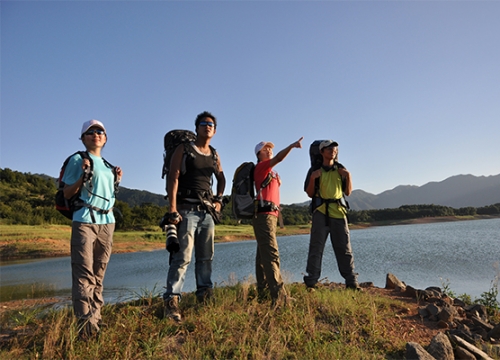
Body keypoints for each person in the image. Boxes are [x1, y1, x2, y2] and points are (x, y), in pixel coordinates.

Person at [62, 119, 123, 340]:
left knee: (99, 274)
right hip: (85, 221)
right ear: (83, 138)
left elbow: (109, 195)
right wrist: (82, 176)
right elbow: (68, 193)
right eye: (91, 131)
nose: (96, 134)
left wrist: (116, 180)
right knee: (83, 274)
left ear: (105, 138)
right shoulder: (79, 160)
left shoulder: (107, 165)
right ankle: (85, 326)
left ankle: (95, 320)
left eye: (100, 131)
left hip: (107, 222)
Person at [163, 111, 225, 322]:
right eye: (203, 123)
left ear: (214, 131)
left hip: (207, 212)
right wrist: (173, 209)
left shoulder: (214, 153)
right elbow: (173, 177)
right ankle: (171, 301)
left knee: (206, 257)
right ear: (196, 127)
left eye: (211, 124)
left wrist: (218, 200)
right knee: (182, 258)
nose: (207, 126)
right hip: (186, 210)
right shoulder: (185, 148)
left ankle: (205, 294)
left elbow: (221, 177)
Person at [303, 140, 360, 290]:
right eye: (329, 149)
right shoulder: (315, 170)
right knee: (316, 248)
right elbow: (310, 193)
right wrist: (313, 178)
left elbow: (348, 192)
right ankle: (311, 281)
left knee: (344, 248)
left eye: (334, 149)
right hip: (321, 212)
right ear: (321, 152)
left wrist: (348, 176)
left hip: (339, 212)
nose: (333, 150)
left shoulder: (341, 170)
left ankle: (351, 281)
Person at [252, 137, 303, 307]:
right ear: (258, 154)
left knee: (262, 255)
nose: (269, 150)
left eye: (270, 148)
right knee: (271, 253)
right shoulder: (261, 167)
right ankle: (279, 296)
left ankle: (263, 291)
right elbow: (279, 158)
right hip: (264, 215)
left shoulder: (272, 172)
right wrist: (292, 145)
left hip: (271, 215)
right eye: (265, 149)